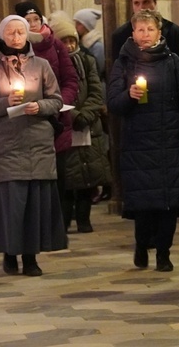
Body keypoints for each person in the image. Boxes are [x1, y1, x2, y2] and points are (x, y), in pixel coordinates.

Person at [0, 15, 67, 276]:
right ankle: (9, 253)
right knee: (11, 204)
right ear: (2, 35)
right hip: (7, 145)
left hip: (37, 142)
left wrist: (40, 106)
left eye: (21, 32)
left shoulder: (42, 66)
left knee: (35, 204)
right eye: (11, 32)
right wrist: (6, 103)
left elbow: (56, 100)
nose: (16, 37)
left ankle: (31, 256)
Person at [108, 9, 179, 272]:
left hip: (169, 141)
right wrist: (128, 95)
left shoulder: (172, 62)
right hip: (138, 143)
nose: (145, 35)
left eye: (150, 30)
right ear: (133, 33)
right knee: (145, 203)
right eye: (140, 30)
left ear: (159, 32)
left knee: (168, 202)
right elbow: (113, 102)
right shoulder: (123, 62)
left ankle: (164, 252)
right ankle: (141, 244)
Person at [14, 1, 79, 211]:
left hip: (56, 119)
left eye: (36, 19)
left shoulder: (56, 45)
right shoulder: (14, 47)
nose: (33, 24)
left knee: (58, 175)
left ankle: (59, 223)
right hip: (28, 120)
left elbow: (70, 80)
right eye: (27, 20)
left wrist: (59, 102)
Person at [50, 16, 111, 233]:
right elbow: (54, 94)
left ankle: (84, 220)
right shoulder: (52, 66)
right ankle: (65, 220)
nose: (69, 46)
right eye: (64, 41)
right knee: (68, 177)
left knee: (88, 174)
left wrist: (87, 113)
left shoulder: (87, 61)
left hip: (88, 126)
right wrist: (74, 115)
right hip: (66, 126)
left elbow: (96, 90)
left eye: (72, 41)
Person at [110, 0, 179, 69]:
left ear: (155, 2)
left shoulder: (172, 31)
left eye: (146, 2)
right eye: (136, 3)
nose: (141, 8)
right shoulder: (120, 35)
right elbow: (116, 72)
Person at [73, 8, 105, 80]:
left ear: (86, 25)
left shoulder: (98, 47)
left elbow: (97, 70)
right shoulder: (79, 44)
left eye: (79, 24)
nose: (76, 27)